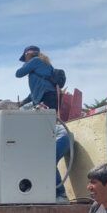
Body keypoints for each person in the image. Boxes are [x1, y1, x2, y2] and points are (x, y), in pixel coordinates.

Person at [16, 45, 71, 201]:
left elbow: (18, 74)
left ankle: (60, 194)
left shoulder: (35, 61)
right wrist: (22, 103)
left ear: (28, 55)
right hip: (48, 98)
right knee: (44, 153)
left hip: (48, 102)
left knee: (47, 159)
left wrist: (27, 64)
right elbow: (34, 92)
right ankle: (53, 193)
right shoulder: (44, 66)